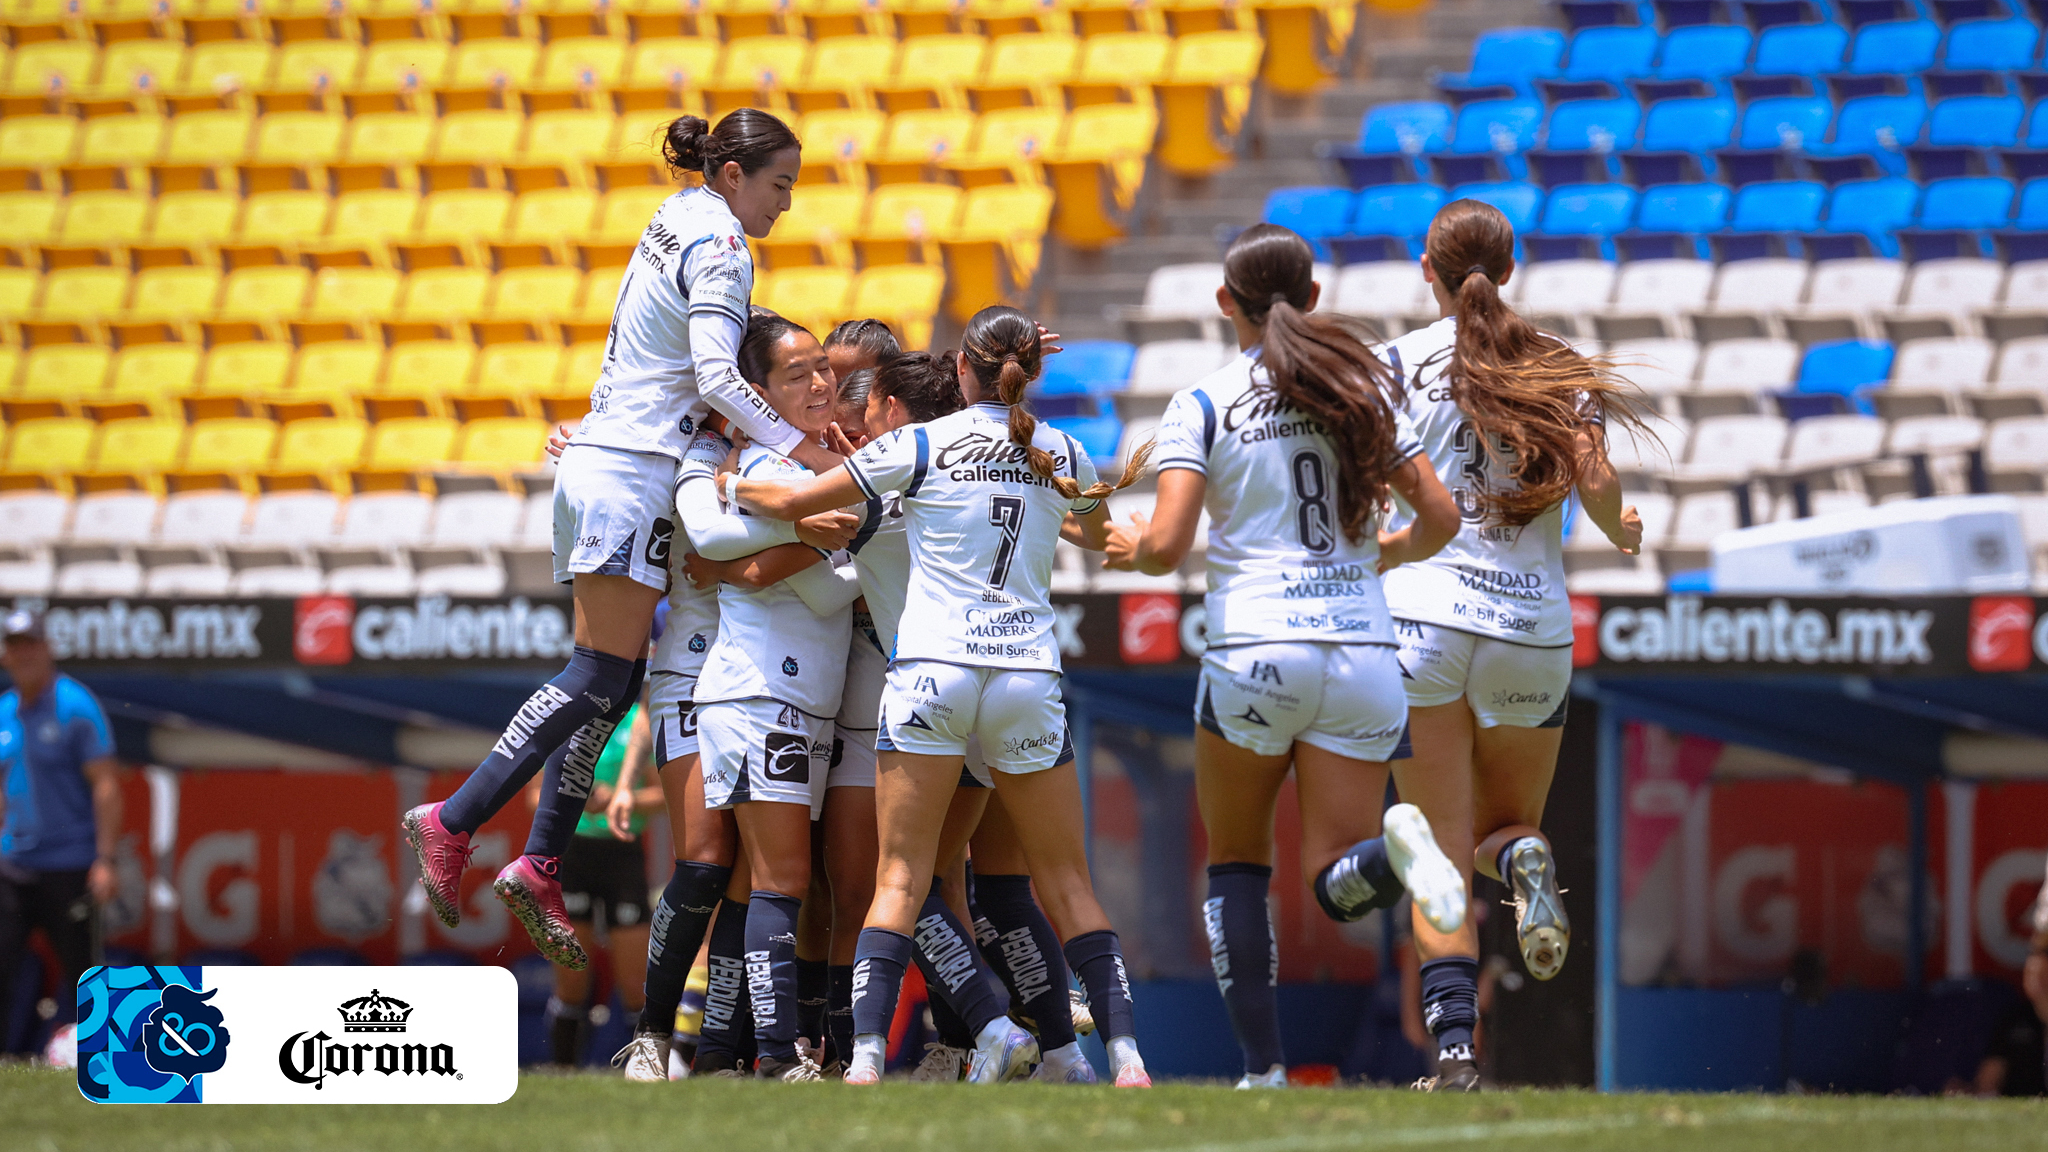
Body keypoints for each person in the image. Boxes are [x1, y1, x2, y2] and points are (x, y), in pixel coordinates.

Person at [401, 108, 857, 972]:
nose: (785, 205)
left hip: (616, 462)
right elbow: (721, 375)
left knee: (614, 683)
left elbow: (675, 354)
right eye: (780, 185)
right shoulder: (722, 241)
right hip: (628, 472)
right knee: (597, 674)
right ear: (733, 176)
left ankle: (539, 860)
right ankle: (452, 819)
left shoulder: (675, 214)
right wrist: (798, 445)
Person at [723, 305, 1154, 1087]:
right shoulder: (1058, 448)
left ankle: (859, 1061)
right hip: (1026, 678)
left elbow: (790, 507)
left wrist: (729, 482)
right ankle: (1118, 1060)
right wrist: (1143, 539)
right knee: (1062, 883)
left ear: (961, 370)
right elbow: (1101, 536)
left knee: (899, 879)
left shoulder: (915, 446)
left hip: (931, 676)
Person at [1101, 223, 1467, 1090]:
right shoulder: (1365, 386)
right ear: (1311, 299)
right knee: (1337, 880)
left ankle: (1263, 1069)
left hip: (1255, 648)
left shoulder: (1205, 401)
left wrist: (1125, 548)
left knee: (1237, 864)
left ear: (1225, 303)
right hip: (1364, 650)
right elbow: (1444, 519)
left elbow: (1167, 544)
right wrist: (1388, 555)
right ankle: (1394, 850)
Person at [1379, 198, 1646, 1092]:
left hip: (1421, 619)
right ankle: (1526, 863)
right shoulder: (1559, 364)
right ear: (1513, 266)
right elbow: (1598, 478)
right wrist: (1619, 529)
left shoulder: (1395, 365)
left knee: (1436, 849)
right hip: (1531, 629)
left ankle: (1454, 1052)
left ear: (1430, 273)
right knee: (1505, 830)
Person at [0, 608, 121, 1055]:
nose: (24, 654)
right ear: (5, 655)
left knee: (85, 970)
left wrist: (105, 859)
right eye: (15, 647)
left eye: (31, 644)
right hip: (13, 863)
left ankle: (107, 1056)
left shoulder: (75, 705)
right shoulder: (4, 713)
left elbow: (106, 785)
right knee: (3, 964)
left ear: (47, 649)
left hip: (70, 864)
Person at [534, 703, 663, 1066]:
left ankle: (644, 1072)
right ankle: (562, 1076)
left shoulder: (637, 718)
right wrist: (577, 802)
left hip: (623, 856)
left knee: (636, 983)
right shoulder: (562, 717)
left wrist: (620, 800)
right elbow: (534, 797)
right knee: (571, 983)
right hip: (572, 856)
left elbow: (662, 795)